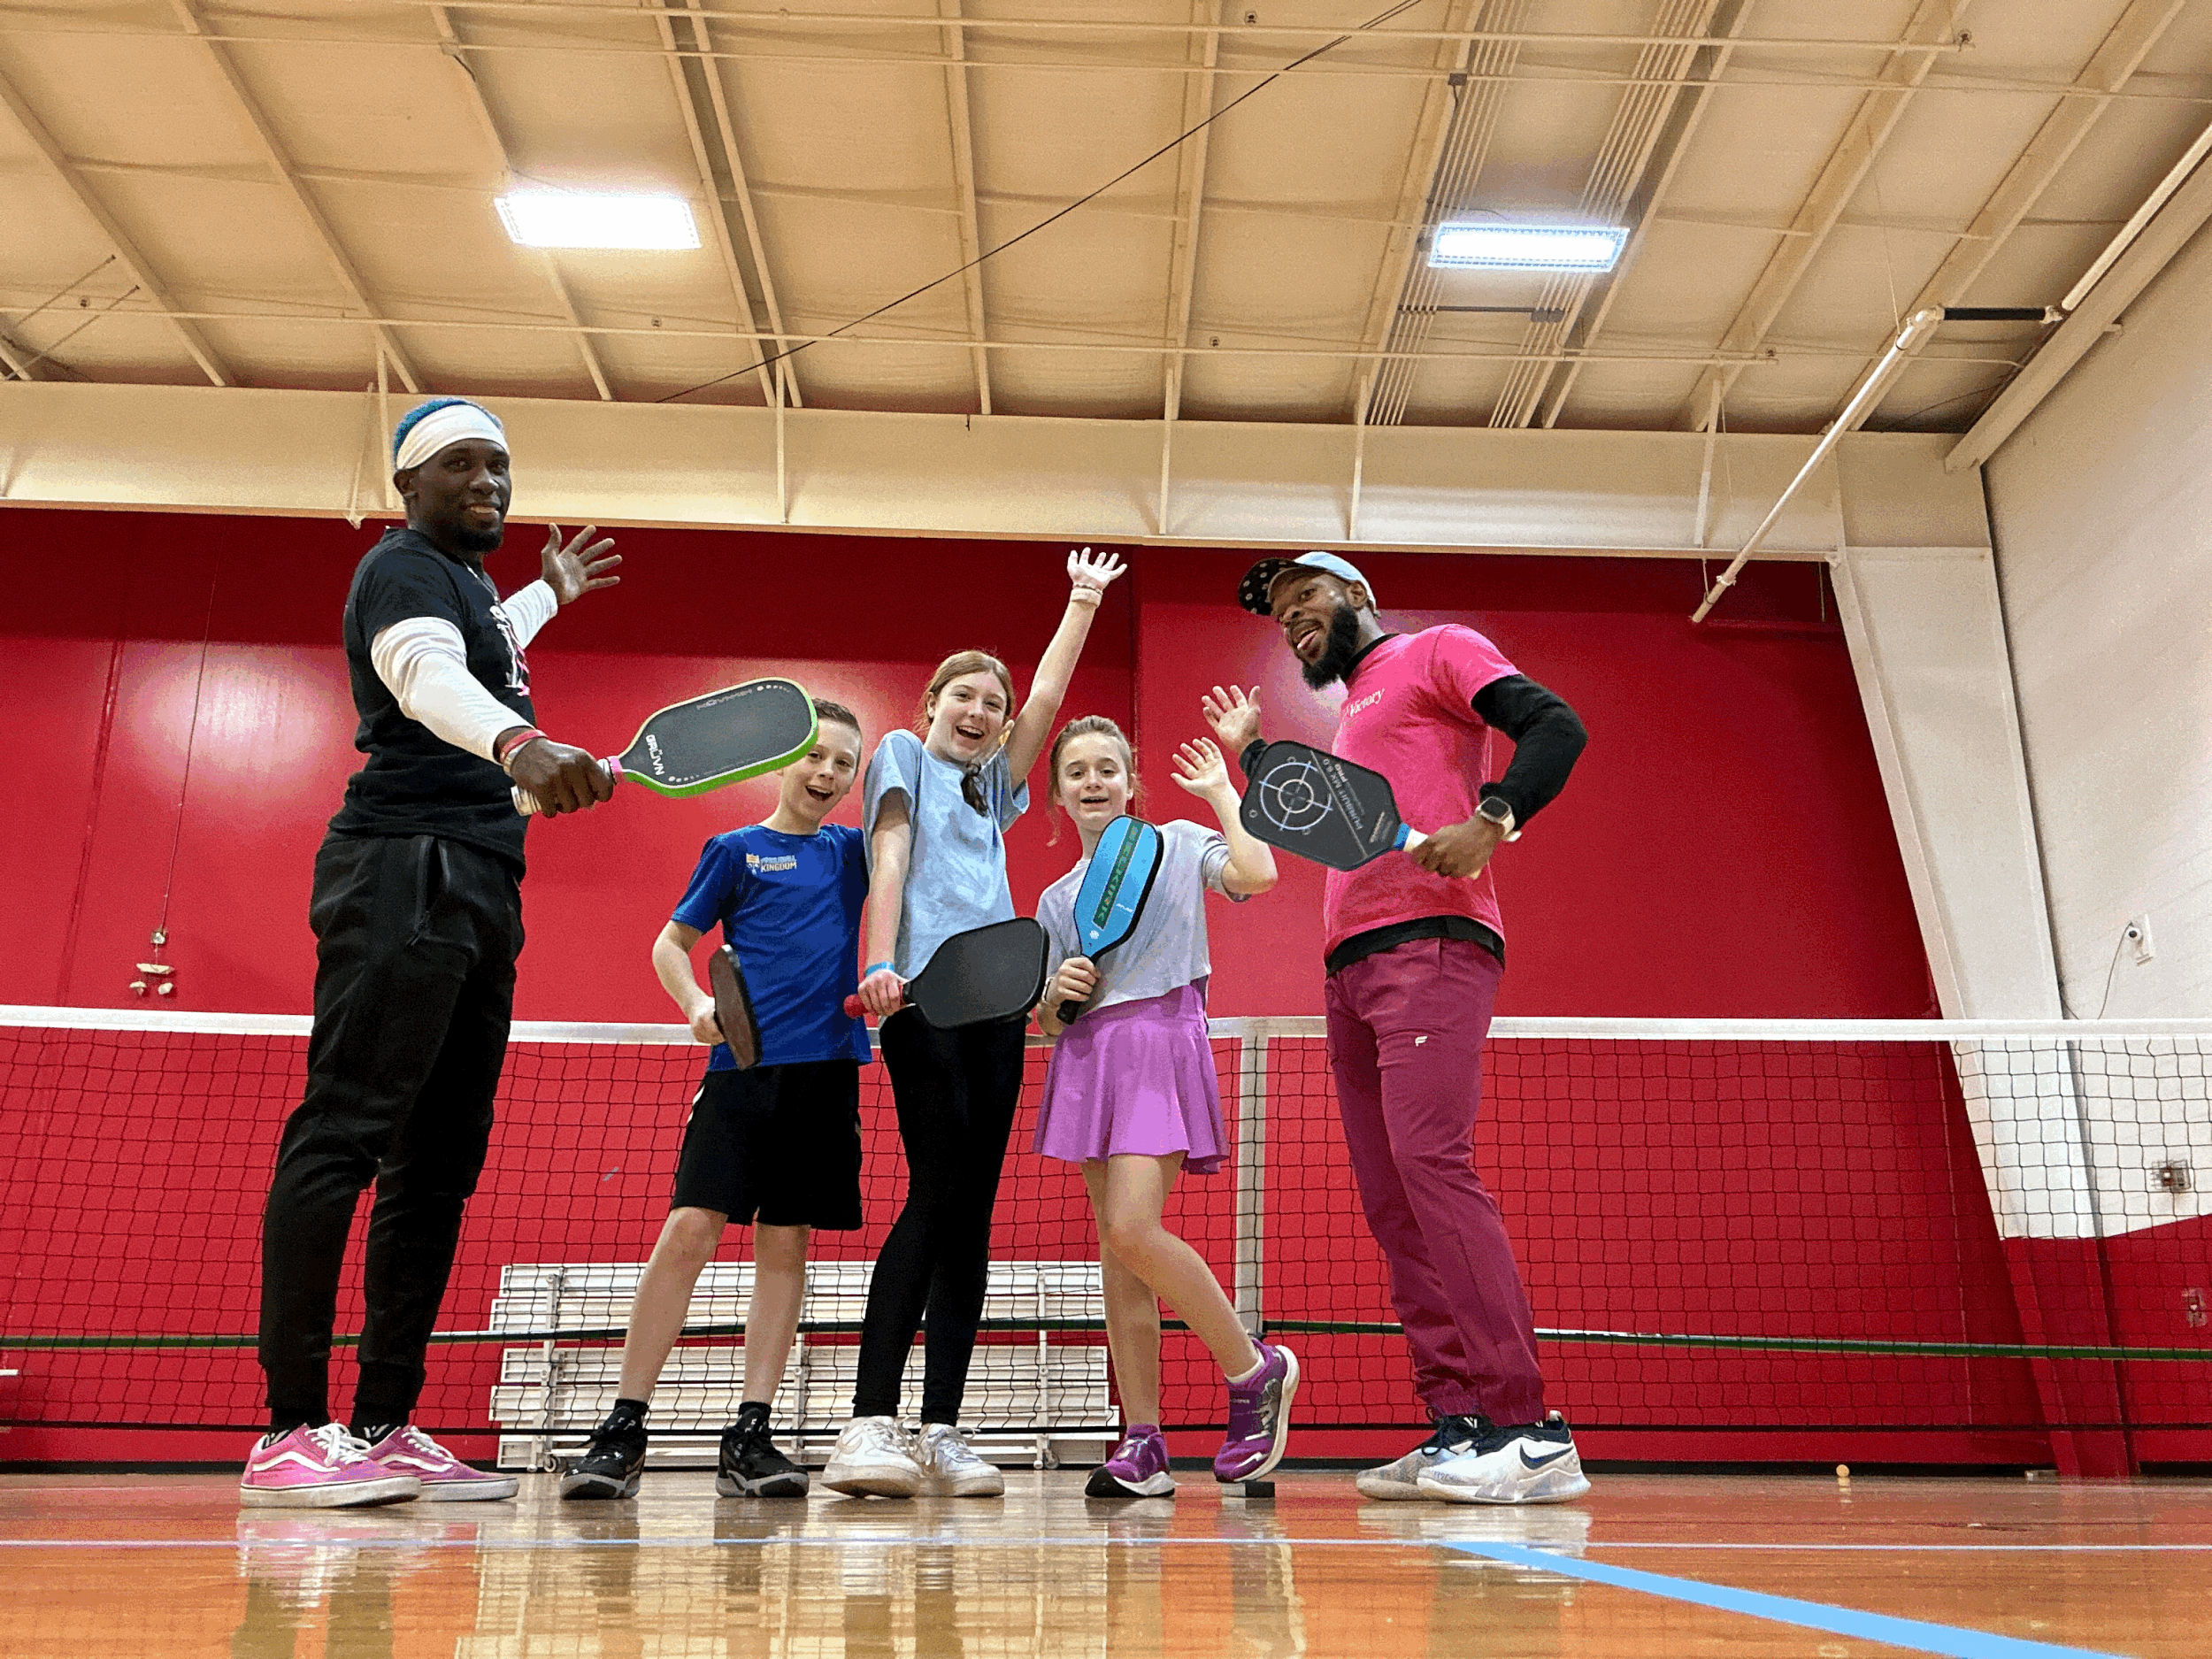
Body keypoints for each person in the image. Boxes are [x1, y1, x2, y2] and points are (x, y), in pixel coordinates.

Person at [242, 397, 620, 1508]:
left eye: (501, 464)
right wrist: (521, 741)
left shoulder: (469, 594)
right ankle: (289, 1429)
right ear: (408, 484)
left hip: (481, 876)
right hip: (405, 862)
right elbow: (426, 675)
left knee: (440, 1159)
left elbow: (488, 647)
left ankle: (384, 1420)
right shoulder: (400, 568)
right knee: (346, 1132)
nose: (489, 480)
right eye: (462, 464)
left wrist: (549, 593)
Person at [1202, 550, 1592, 1506]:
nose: (1295, 619)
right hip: (1351, 965)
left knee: (1434, 1172)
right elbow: (1337, 821)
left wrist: (1494, 815)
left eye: (1308, 599)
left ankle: (1525, 1429)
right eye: (1282, 614)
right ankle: (1457, 1423)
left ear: (1358, 597)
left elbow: (1554, 724)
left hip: (1433, 944)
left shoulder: (1436, 652)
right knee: (1391, 1201)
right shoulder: (1351, 713)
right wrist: (1254, 756)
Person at [822, 547, 1127, 1499]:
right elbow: (891, 853)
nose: (983, 709)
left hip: (999, 1005)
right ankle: (869, 1423)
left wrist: (1081, 600)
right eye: (965, 694)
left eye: (991, 702)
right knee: (937, 1191)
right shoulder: (903, 757)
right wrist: (879, 962)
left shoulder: (996, 786)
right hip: (923, 997)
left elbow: (1044, 700)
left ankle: (943, 1429)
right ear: (931, 707)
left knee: (973, 1214)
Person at [559, 701, 872, 1502]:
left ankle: (751, 1433)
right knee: (690, 1228)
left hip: (827, 1072)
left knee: (786, 1242)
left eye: (845, 763)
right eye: (815, 757)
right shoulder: (735, 851)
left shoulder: (854, 852)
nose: (828, 775)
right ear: (782, 761)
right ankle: (624, 1426)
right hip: (741, 1072)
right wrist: (697, 1006)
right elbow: (670, 943)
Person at [1032, 718, 1292, 1499]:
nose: (1092, 781)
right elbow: (1044, 1023)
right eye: (1075, 771)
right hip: (1090, 1057)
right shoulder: (1056, 899)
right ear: (1058, 795)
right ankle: (1142, 1437)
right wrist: (1054, 1001)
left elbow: (1259, 873)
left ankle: (1254, 1367)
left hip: (1160, 1039)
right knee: (1119, 1256)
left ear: (1130, 780)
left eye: (1107, 768)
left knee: (1132, 1228)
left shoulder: (1176, 842)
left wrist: (1221, 793)